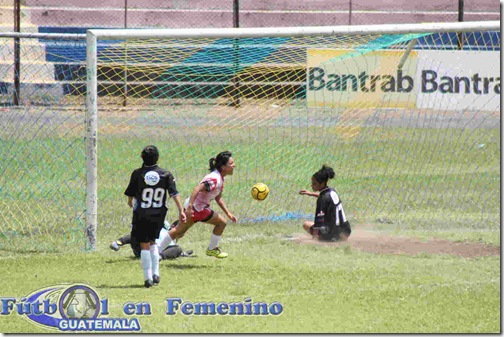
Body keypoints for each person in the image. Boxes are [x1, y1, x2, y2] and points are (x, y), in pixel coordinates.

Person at [124, 145, 186, 288]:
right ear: (158, 158)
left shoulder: (137, 173)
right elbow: (174, 193)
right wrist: (181, 210)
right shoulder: (166, 174)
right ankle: (156, 273)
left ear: (142, 158)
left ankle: (148, 278)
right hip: (158, 214)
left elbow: (130, 194)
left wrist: (130, 201)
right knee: (153, 242)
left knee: (144, 245)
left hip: (141, 214)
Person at [157, 151, 237, 259]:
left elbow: (218, 197)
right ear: (223, 167)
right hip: (198, 208)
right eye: (231, 164)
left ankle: (156, 252)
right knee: (221, 223)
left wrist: (228, 213)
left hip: (194, 206)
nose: (234, 165)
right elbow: (197, 188)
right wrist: (190, 207)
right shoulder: (215, 179)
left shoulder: (219, 178)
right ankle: (212, 249)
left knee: (178, 231)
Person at [299, 165, 351, 242]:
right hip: (345, 232)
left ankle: (327, 239)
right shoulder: (332, 192)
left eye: (314, 183)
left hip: (333, 236)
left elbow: (318, 222)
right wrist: (310, 193)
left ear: (322, 184)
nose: (311, 185)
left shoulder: (321, 200)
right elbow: (324, 197)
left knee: (306, 224)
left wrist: (314, 239)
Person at [110, 220, 193, 259]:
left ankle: (159, 257)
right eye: (181, 230)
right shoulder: (164, 227)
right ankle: (118, 242)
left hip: (156, 251)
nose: (182, 234)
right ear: (172, 227)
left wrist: (181, 253)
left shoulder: (172, 241)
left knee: (178, 249)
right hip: (143, 248)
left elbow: (170, 250)